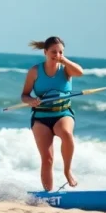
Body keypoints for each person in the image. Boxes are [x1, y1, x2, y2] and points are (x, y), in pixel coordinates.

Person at [19, 36, 85, 191]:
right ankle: (49, 194)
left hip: (62, 114)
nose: (57, 55)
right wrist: (31, 100)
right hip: (41, 118)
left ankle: (67, 171)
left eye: (61, 52)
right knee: (47, 159)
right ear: (45, 52)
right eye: (54, 52)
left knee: (66, 134)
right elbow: (24, 95)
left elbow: (80, 72)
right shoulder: (35, 71)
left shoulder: (66, 69)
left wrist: (64, 60)